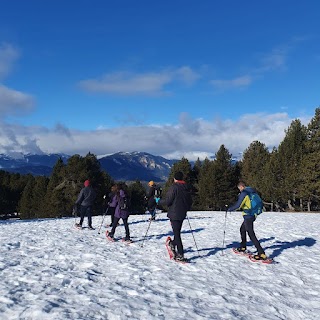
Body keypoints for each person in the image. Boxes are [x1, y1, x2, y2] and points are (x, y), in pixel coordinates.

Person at [227, 181, 267, 261]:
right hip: (253, 214)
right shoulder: (252, 191)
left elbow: (238, 205)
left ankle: (261, 253)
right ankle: (243, 246)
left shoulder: (244, 193)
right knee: (242, 229)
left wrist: (229, 209)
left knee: (251, 234)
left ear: (241, 187)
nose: (240, 190)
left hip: (249, 215)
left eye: (239, 189)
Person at [159, 171, 192, 262]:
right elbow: (190, 202)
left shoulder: (174, 187)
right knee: (177, 232)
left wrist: (158, 201)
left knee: (177, 233)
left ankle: (180, 254)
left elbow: (168, 201)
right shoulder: (187, 187)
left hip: (174, 213)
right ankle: (172, 243)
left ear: (175, 178)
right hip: (182, 213)